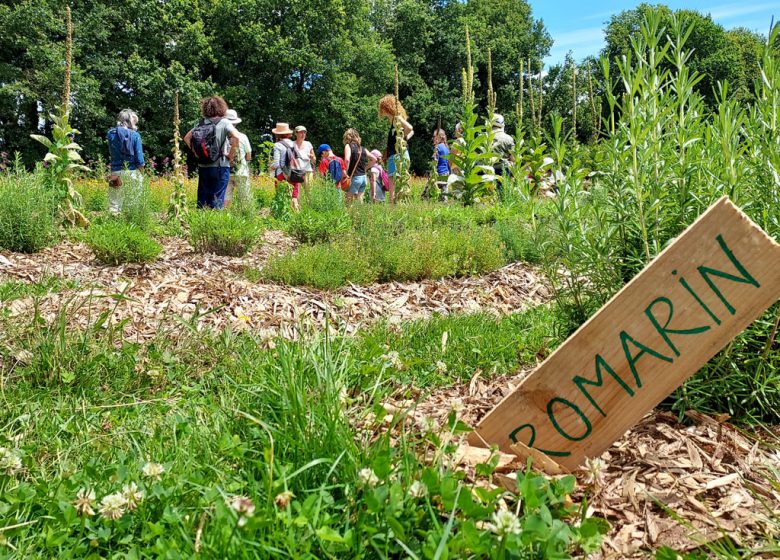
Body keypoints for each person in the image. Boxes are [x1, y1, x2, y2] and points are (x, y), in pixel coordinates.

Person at [183, 96, 239, 209]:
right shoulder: (225, 122)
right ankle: (216, 223)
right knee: (218, 197)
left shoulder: (201, 123)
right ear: (221, 107)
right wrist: (230, 155)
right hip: (220, 165)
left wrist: (195, 151)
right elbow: (236, 137)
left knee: (203, 198)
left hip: (203, 165)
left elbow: (186, 138)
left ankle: (200, 221)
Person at [106, 109, 145, 214]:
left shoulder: (110, 134)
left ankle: (113, 223)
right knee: (132, 200)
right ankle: (129, 221)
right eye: (134, 123)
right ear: (129, 121)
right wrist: (142, 173)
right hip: (132, 171)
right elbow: (140, 159)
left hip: (115, 171)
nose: (135, 126)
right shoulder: (135, 135)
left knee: (114, 202)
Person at [378, 94, 413, 203]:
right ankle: (403, 206)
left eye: (382, 108)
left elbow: (410, 128)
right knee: (402, 183)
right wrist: (404, 139)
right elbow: (412, 131)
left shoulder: (395, 119)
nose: (380, 111)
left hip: (396, 156)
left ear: (386, 107)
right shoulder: (397, 119)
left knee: (392, 185)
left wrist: (401, 139)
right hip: (403, 154)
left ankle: (393, 209)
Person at [269, 122, 303, 211]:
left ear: (277, 134)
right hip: (295, 173)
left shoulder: (277, 145)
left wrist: (270, 167)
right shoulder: (293, 144)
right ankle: (298, 217)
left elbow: (276, 164)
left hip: (282, 174)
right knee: (294, 197)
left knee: (282, 197)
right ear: (288, 133)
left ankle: (284, 217)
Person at [224, 109, 252, 208]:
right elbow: (249, 156)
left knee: (226, 198)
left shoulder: (222, 137)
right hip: (241, 172)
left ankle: (224, 219)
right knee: (244, 199)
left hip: (226, 172)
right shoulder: (243, 137)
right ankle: (246, 218)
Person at [343, 128, 376, 205]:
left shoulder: (348, 146)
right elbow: (374, 159)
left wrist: (345, 173)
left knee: (348, 202)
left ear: (347, 137)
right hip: (364, 178)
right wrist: (366, 168)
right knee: (359, 201)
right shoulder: (363, 148)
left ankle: (349, 216)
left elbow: (347, 160)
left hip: (354, 178)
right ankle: (359, 215)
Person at [490, 113, 515, 178]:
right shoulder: (508, 138)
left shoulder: (483, 137)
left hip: (486, 171)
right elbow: (513, 159)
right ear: (502, 125)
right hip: (503, 171)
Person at [432, 128, 451, 201]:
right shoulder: (446, 148)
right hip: (446, 173)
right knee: (444, 197)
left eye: (434, 136)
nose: (433, 138)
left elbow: (435, 162)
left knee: (426, 195)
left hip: (438, 173)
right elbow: (448, 163)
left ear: (438, 137)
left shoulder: (438, 147)